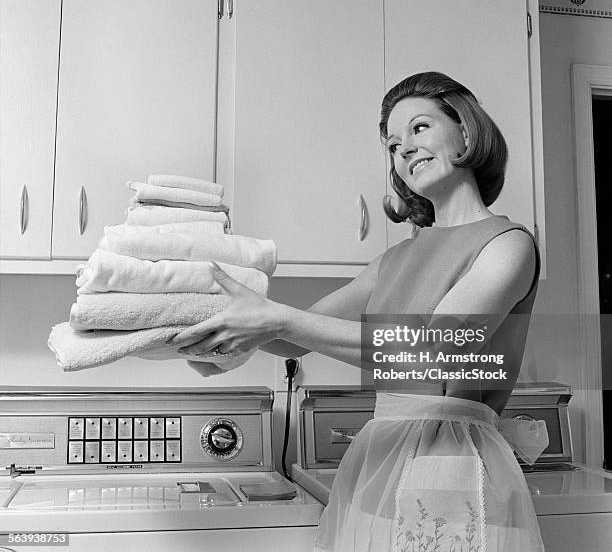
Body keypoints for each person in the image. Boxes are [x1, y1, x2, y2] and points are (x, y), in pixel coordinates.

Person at [170, 72, 546, 551]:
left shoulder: (509, 244)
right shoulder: (392, 261)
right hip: (380, 460)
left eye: (420, 128)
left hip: (453, 460)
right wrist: (215, 335)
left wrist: (273, 319)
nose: (404, 149)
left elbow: (433, 350)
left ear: (467, 132)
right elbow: (292, 338)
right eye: (392, 144)